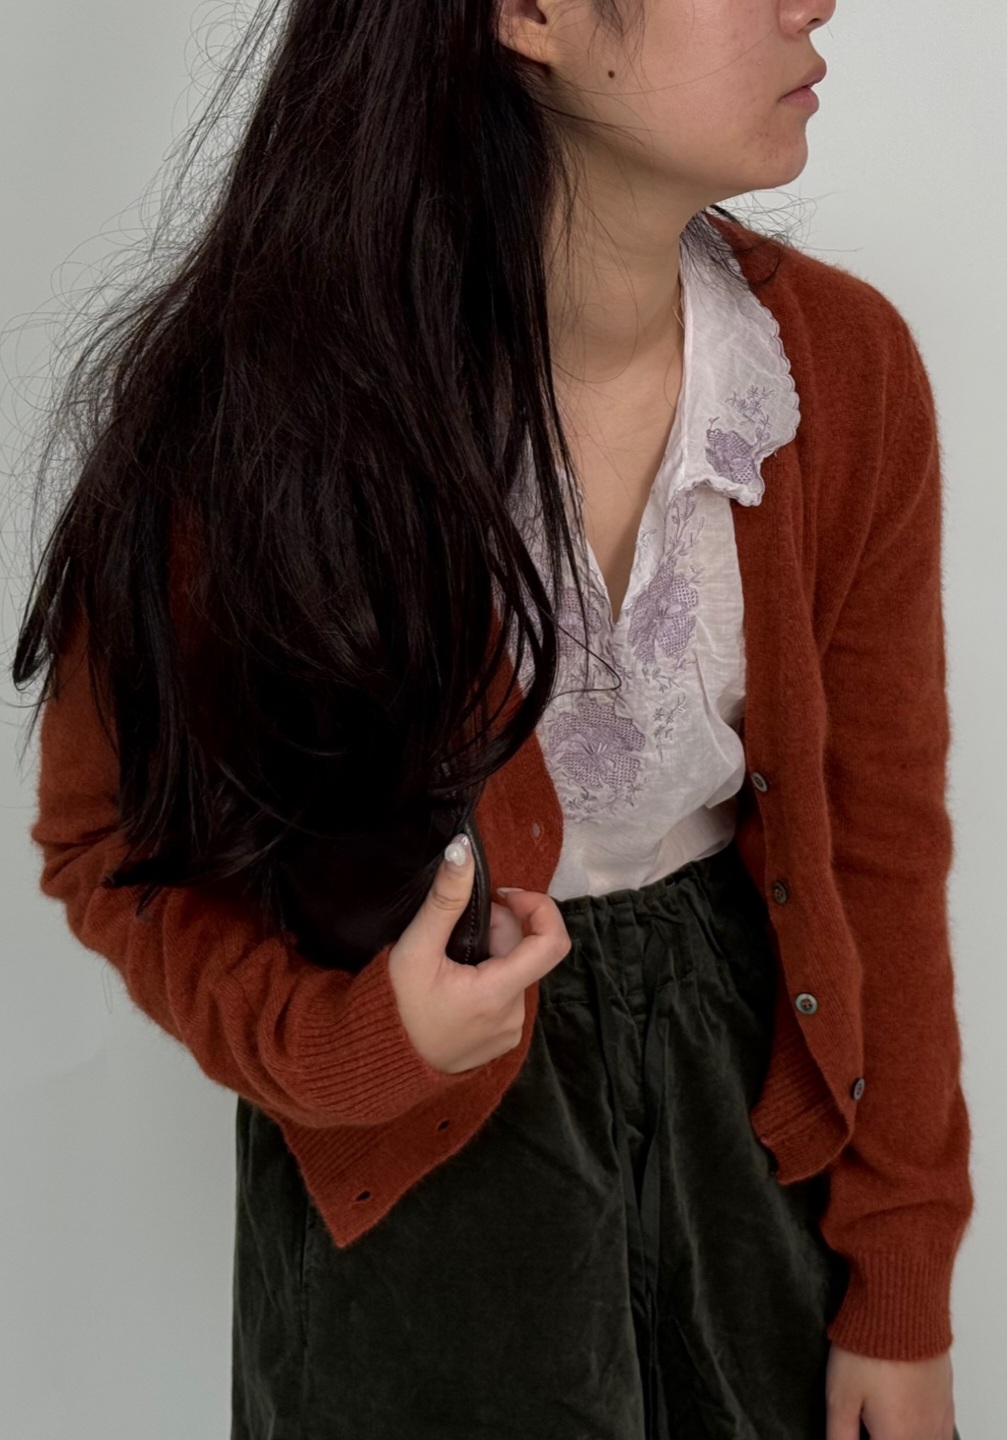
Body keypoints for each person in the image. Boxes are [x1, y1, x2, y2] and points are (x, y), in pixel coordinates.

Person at [12, 0, 973, 1435]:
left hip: (755, 1109)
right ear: (526, 13)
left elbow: (880, 843)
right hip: (416, 1166)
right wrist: (345, 1040)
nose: (813, 3)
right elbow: (107, 845)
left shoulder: (834, 368)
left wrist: (901, 1285)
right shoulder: (262, 415)